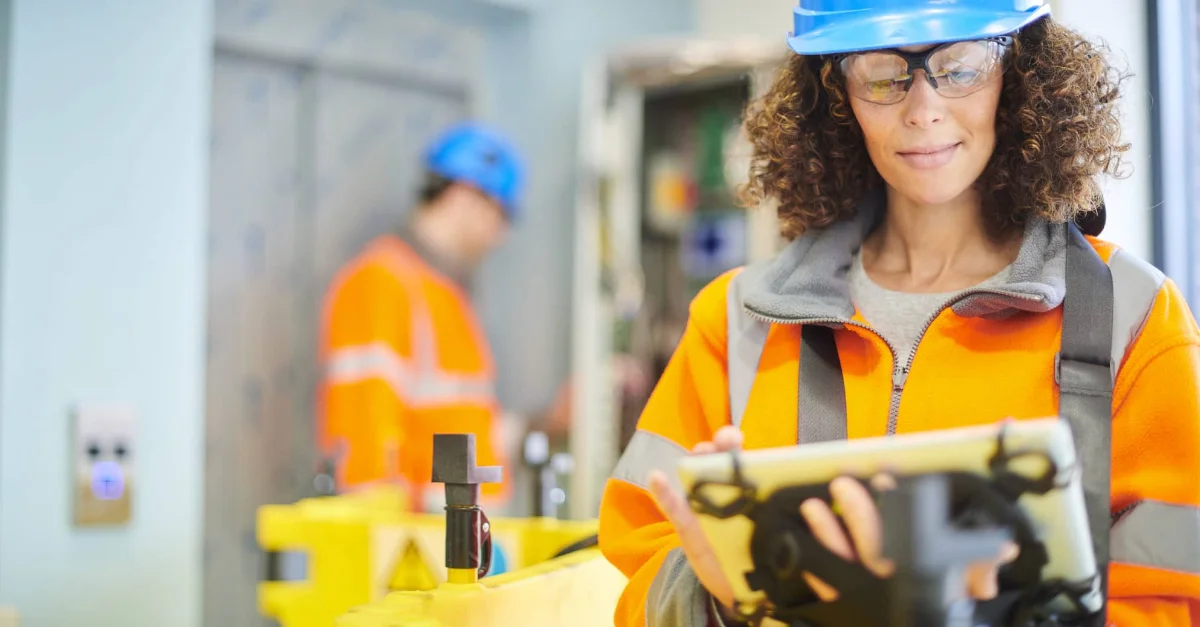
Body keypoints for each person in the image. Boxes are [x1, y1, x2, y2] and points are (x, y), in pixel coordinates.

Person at [597, 1, 1200, 625]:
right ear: (836, 93)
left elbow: (1176, 598)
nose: (923, 110)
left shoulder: (1134, 318)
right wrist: (712, 600)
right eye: (882, 73)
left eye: (961, 66)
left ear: (1019, 71)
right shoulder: (737, 320)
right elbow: (633, 570)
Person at [318, 122, 524, 510]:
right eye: (500, 215)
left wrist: (544, 423)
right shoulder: (380, 284)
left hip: (458, 550)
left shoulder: (443, 294)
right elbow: (366, 453)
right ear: (463, 196)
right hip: (414, 556)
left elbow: (463, 425)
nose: (500, 237)